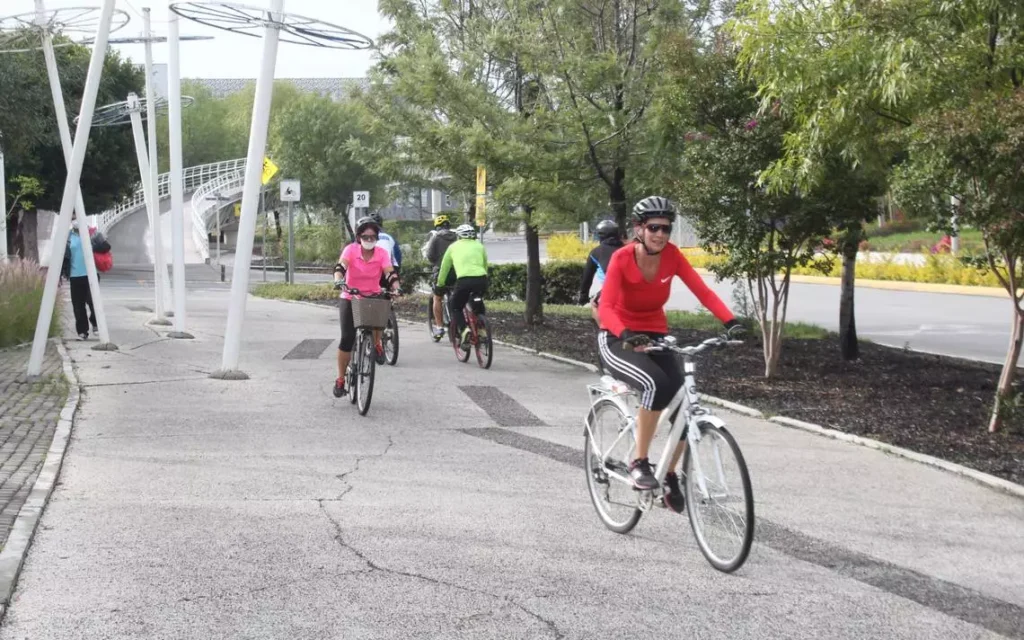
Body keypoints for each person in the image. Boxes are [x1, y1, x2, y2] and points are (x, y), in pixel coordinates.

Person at [597, 196, 744, 512]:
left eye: (666, 228)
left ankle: (670, 476)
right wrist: (624, 333)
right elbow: (606, 307)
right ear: (639, 229)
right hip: (617, 337)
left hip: (655, 335)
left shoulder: (673, 257)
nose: (661, 234)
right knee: (655, 385)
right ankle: (639, 462)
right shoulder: (622, 259)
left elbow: (702, 292)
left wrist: (730, 322)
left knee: (682, 401)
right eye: (653, 227)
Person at [331, 216, 400, 397]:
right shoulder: (351, 250)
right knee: (347, 338)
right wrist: (339, 280)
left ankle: (376, 344)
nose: (369, 240)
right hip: (350, 296)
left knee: (377, 321)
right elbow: (341, 267)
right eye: (366, 236)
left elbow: (389, 273)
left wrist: (396, 287)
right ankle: (340, 379)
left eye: (373, 237)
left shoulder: (381, 254)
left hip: (373, 294)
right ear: (359, 236)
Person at [437, 224, 488, 349]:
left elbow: (445, 268)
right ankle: (482, 329)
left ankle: (464, 330)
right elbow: (485, 264)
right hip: (481, 279)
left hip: (464, 281)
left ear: (459, 236)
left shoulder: (453, 247)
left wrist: (440, 284)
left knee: (455, 306)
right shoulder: (480, 246)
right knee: (477, 301)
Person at [60, 213, 109, 340]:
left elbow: (106, 247)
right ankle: (82, 332)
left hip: (91, 275)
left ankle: (96, 324)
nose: (74, 220)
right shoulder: (68, 237)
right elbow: (63, 257)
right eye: (72, 218)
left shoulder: (92, 233)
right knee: (78, 306)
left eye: (76, 217)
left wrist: (94, 237)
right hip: (75, 276)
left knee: (93, 302)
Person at [577, 219, 624, 323]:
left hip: (610, 292)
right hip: (632, 292)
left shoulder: (596, 252)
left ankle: (605, 331)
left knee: (595, 305)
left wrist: (583, 298)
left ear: (600, 236)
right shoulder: (628, 249)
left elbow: (587, 278)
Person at [422, 215, 458, 338]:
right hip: (458, 271)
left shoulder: (436, 237)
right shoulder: (457, 237)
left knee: (437, 298)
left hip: (441, 272)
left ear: (437, 227)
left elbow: (430, 256)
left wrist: (435, 262)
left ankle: (439, 327)